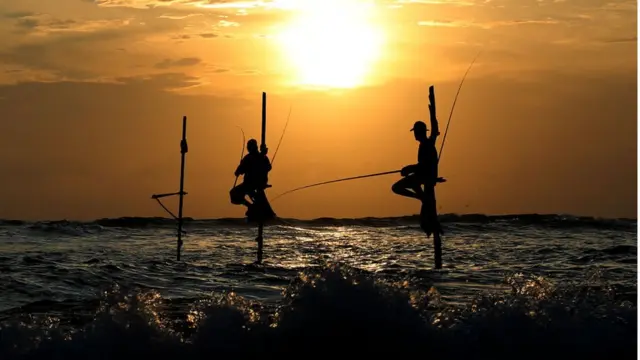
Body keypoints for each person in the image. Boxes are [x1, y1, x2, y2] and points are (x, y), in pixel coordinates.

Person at [391, 120, 444, 201]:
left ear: (419, 132)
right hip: (424, 176)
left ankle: (420, 197)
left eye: (415, 131)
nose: (414, 134)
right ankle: (422, 196)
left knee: (396, 187)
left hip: (424, 176)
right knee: (412, 181)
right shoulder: (427, 143)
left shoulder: (425, 145)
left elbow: (424, 165)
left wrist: (409, 169)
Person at [230, 139, 272, 212]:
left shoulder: (250, 158)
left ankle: (250, 206)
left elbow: (238, 171)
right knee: (238, 194)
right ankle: (251, 206)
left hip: (251, 184)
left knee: (233, 193)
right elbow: (269, 167)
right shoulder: (262, 157)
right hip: (256, 184)